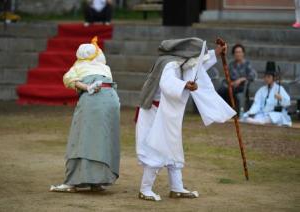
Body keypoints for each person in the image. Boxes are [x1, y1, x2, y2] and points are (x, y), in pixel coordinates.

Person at [135, 38, 236, 201]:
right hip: (155, 113)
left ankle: (176, 187)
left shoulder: (179, 61)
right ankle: (145, 189)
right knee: (156, 147)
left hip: (166, 111)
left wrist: (216, 52)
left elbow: (196, 67)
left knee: (172, 147)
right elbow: (167, 83)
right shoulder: (170, 64)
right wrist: (184, 86)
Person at [50, 37, 120, 192]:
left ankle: (72, 182)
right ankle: (97, 181)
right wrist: (89, 87)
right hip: (112, 100)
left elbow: (70, 80)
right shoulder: (104, 68)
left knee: (81, 139)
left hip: (93, 101)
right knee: (102, 140)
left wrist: (87, 87)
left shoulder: (78, 66)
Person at [241, 61, 292, 127]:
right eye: (265, 77)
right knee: (246, 116)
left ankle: (260, 122)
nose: (266, 79)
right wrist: (251, 112)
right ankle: (259, 121)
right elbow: (257, 103)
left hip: (274, 114)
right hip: (263, 114)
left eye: (268, 77)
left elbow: (288, 102)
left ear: (273, 78)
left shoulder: (279, 88)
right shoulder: (261, 90)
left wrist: (281, 98)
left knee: (276, 117)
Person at [218, 44, 256, 113]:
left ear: (243, 53)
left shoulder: (247, 64)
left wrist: (241, 79)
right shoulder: (231, 65)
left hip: (242, 87)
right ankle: (223, 112)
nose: (238, 54)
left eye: (240, 52)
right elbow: (226, 78)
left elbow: (253, 75)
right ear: (234, 54)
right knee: (221, 90)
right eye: (236, 52)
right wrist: (232, 83)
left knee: (229, 91)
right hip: (232, 86)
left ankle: (233, 112)